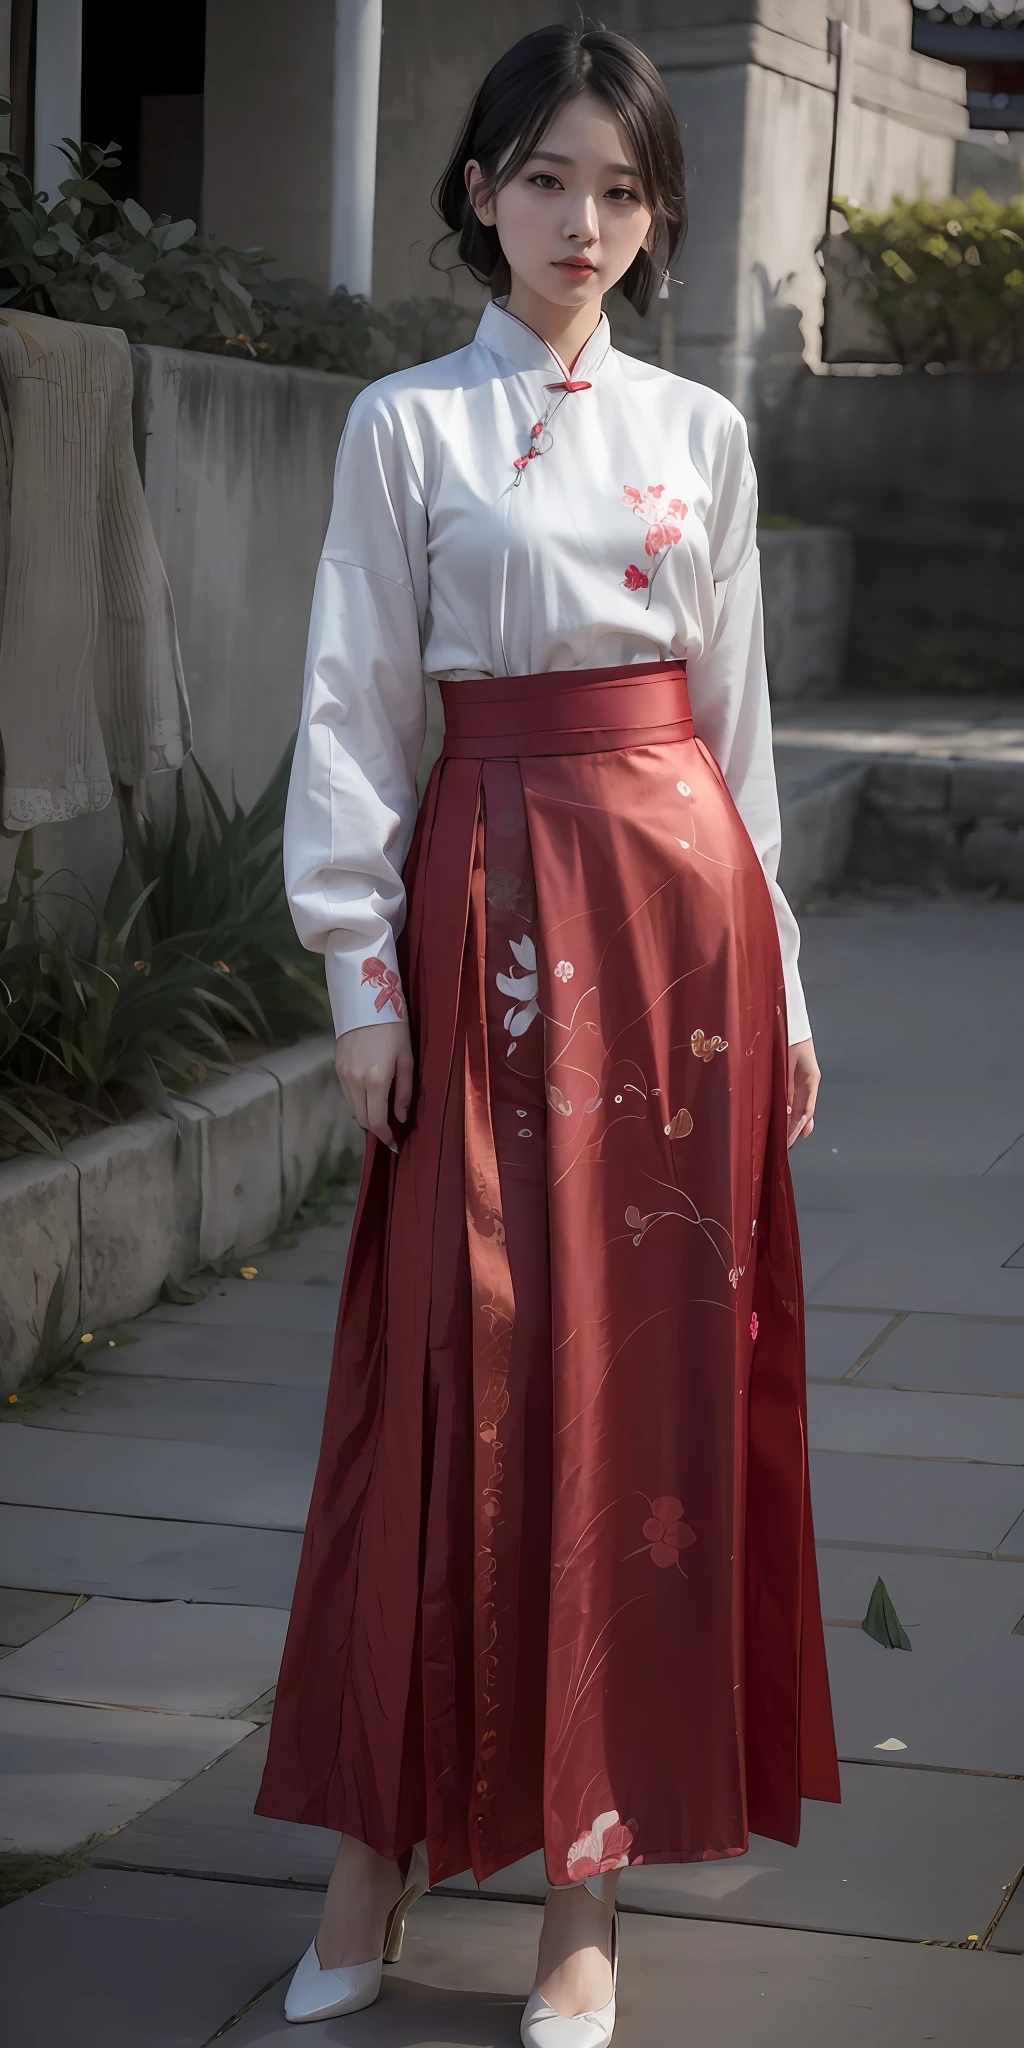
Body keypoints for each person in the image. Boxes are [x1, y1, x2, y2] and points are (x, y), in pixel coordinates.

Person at [256, 23, 840, 2042]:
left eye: (613, 185)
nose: (575, 220)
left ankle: (586, 1897)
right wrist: (357, 970)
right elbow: (350, 710)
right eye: (537, 177)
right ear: (478, 194)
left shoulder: (702, 437)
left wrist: (777, 975)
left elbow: (738, 739)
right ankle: (369, 1861)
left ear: (653, 211)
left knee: (635, 1397)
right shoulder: (404, 429)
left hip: (674, 951)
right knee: (438, 1375)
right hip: (482, 916)